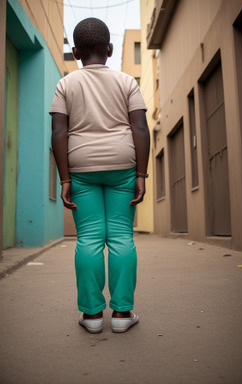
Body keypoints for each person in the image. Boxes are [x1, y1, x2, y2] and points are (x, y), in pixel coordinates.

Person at [50, 18, 150, 333]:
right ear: (109, 49)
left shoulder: (66, 84)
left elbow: (58, 132)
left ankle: (92, 316)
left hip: (81, 170)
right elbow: (140, 128)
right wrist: (142, 173)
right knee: (121, 237)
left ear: (76, 51)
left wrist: (64, 179)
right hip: (123, 167)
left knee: (90, 239)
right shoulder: (126, 82)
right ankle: (122, 314)